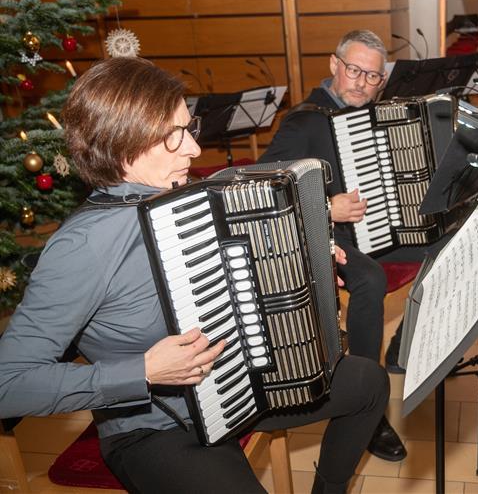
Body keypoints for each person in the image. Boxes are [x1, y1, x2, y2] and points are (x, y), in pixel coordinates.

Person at [0, 57, 389, 494]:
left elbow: (232, 276)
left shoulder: (184, 200)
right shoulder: (81, 247)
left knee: (369, 382)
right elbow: (8, 383)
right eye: (174, 136)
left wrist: (301, 259)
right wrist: (144, 370)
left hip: (239, 380)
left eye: (189, 129)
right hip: (157, 428)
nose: (193, 149)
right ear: (122, 143)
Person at [258, 30, 407, 461]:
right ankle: (369, 402)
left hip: (377, 227)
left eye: (373, 77)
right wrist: (326, 207)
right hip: (325, 237)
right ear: (333, 65)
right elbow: (262, 191)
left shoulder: (375, 115)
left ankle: (403, 345)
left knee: (445, 243)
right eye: (354, 70)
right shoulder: (304, 121)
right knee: (370, 280)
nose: (361, 83)